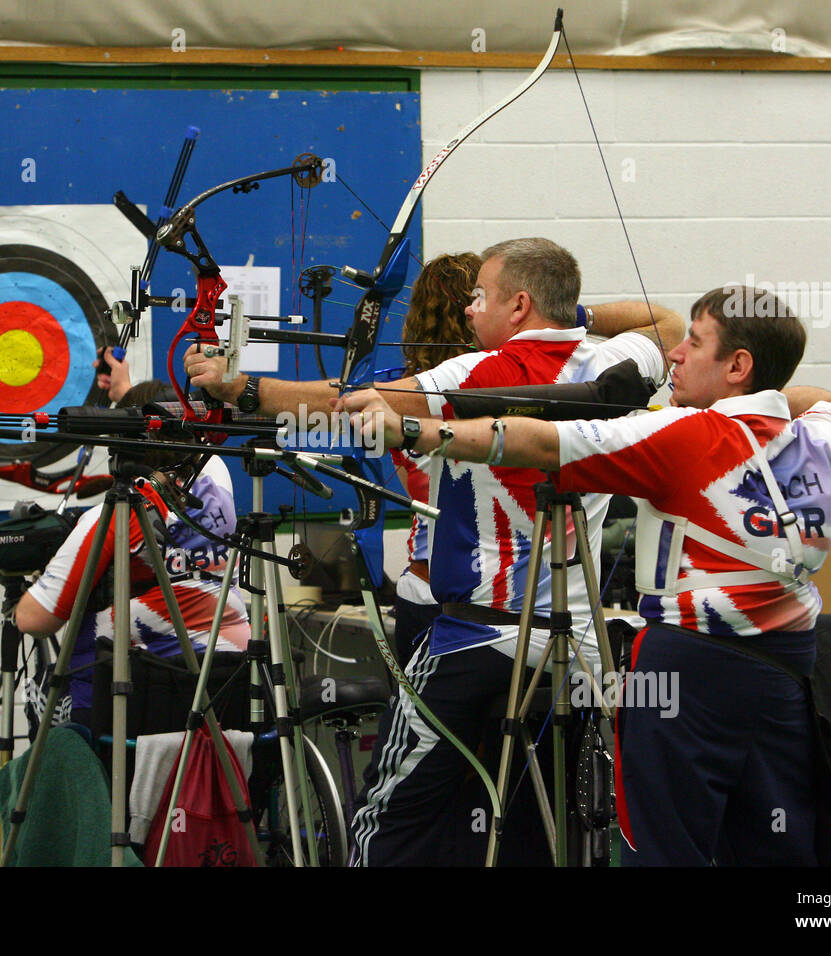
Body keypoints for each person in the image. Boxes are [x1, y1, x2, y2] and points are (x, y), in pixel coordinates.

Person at [186, 237, 684, 865]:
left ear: (520, 305)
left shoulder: (476, 373)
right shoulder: (609, 366)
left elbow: (347, 406)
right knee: (539, 825)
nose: (470, 312)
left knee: (389, 817)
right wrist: (578, 319)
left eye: (481, 298)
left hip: (475, 643)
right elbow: (666, 321)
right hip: (574, 651)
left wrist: (239, 389)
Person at [342, 283, 831, 866]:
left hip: (690, 672)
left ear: (739, 365)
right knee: (773, 844)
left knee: (665, 847)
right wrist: (761, 398)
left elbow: (536, 439)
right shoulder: (824, 433)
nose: (678, 354)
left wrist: (414, 431)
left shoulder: (684, 436)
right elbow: (828, 396)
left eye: (696, 342)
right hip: (788, 672)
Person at [14, 352, 250, 731]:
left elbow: (33, 619)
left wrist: (21, 591)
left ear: (121, 452)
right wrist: (127, 394)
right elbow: (165, 439)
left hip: (134, 708)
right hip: (221, 690)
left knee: (40, 698)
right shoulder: (215, 474)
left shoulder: (113, 520)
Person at [390, 251, 481, 670]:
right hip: (475, 596)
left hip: (422, 585)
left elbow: (413, 483)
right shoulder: (496, 390)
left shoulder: (397, 398)